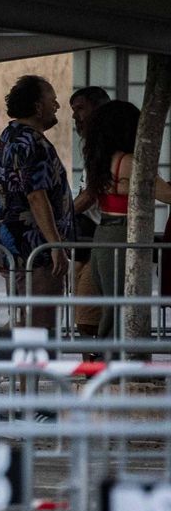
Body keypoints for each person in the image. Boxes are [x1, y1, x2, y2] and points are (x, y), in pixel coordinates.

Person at [0, 74, 74, 338]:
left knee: (23, 318)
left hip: (12, 247)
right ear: (38, 107)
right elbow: (36, 196)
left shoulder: (9, 135)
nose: (58, 106)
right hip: (35, 250)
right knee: (39, 324)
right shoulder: (32, 142)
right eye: (53, 100)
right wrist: (55, 245)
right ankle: (27, 380)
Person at [82, 100, 171, 343]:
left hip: (103, 234)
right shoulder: (130, 162)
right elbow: (166, 194)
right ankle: (115, 361)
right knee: (122, 304)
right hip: (122, 235)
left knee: (112, 302)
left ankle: (109, 357)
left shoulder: (101, 159)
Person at [69, 85, 112, 340]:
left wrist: (60, 216)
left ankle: (97, 371)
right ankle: (91, 372)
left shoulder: (107, 149)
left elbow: (90, 195)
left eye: (80, 109)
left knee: (88, 316)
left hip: (101, 235)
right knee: (84, 316)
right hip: (87, 237)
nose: (76, 116)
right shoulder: (93, 147)